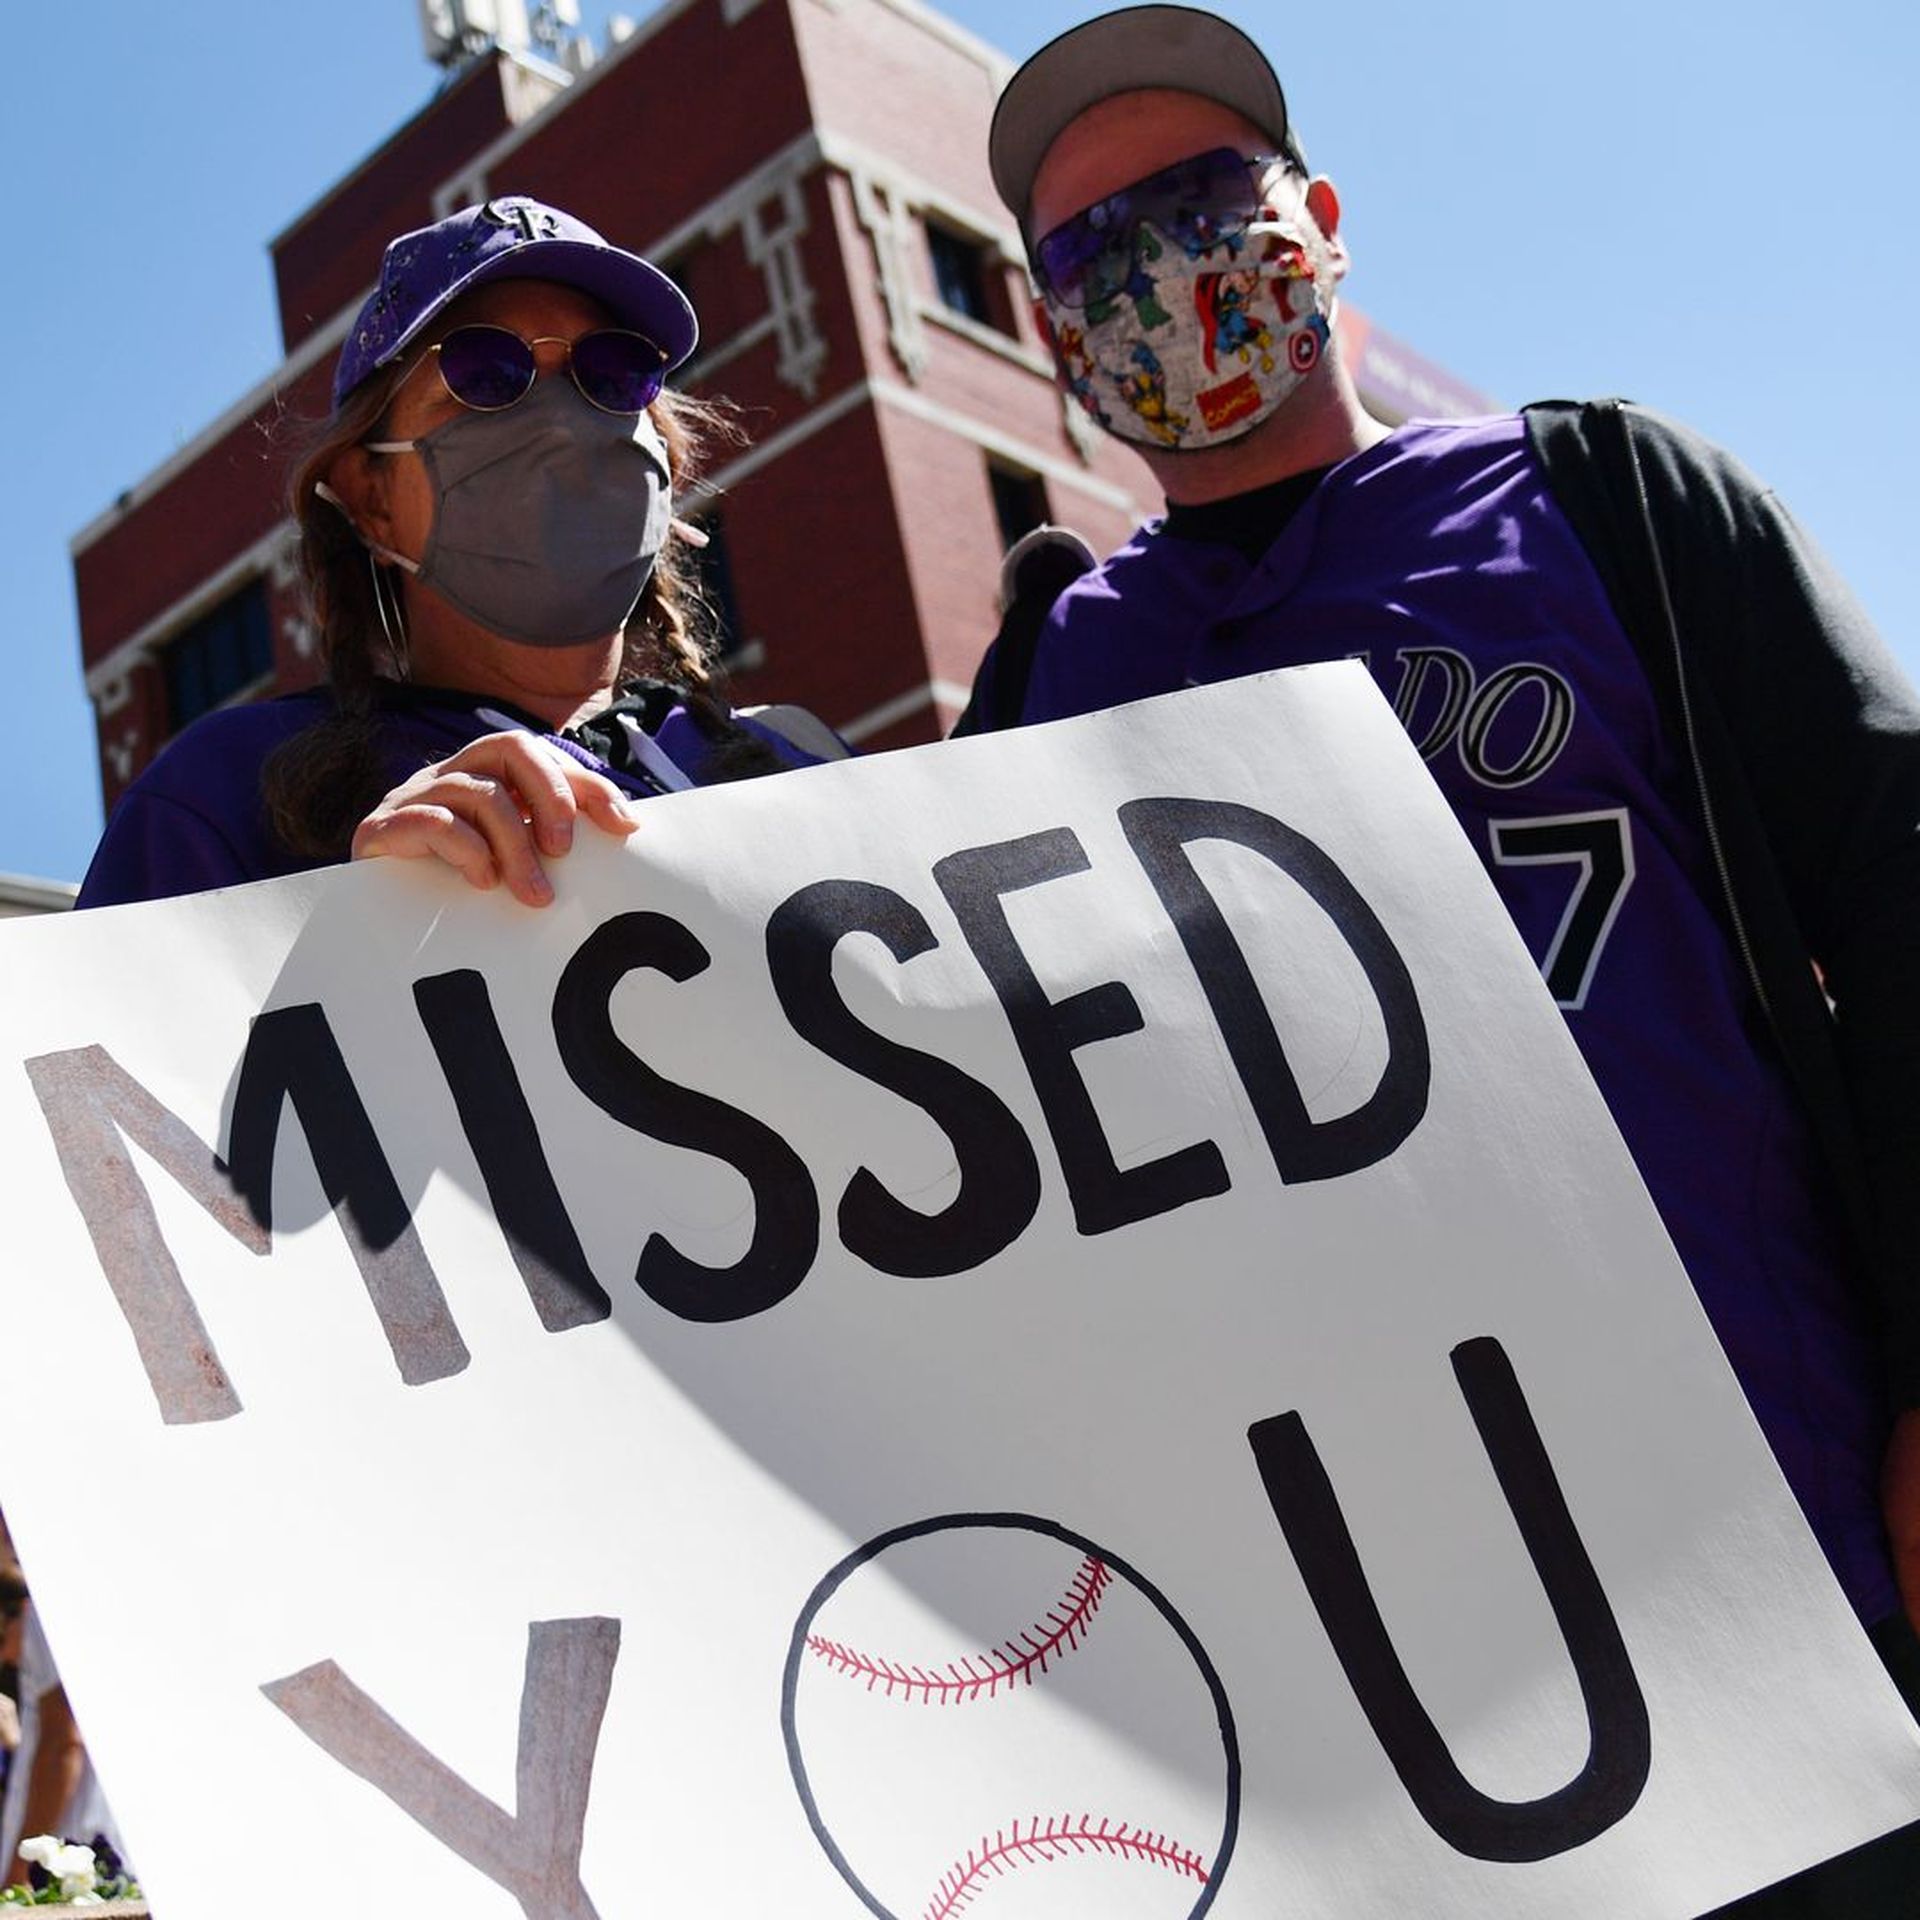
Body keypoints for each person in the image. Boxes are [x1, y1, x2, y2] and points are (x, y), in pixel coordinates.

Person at [964, 9, 1920, 1914]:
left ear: (1314, 216)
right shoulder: (1048, 680)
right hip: (1372, 1677)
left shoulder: (1609, 500)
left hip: (1791, 1556)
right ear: (1057, 335)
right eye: (1092, 255)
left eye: (1200, 204)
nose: (1158, 272)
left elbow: (1900, 911)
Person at [81, 195, 837, 912]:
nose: (565, 419)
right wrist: (355, 928)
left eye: (611, 372)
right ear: (369, 496)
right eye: (486, 374)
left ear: (666, 464)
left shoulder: (799, 760)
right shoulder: (225, 794)